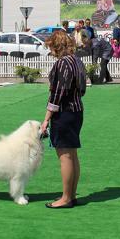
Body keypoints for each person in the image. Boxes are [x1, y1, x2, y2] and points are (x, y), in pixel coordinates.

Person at [41, 31, 86, 209]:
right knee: (73, 154)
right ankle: (71, 195)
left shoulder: (62, 63)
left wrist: (46, 119)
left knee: (65, 156)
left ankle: (66, 198)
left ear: (57, 46)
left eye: (51, 46)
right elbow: (82, 88)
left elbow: (57, 94)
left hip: (65, 113)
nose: (50, 50)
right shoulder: (77, 60)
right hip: (77, 110)